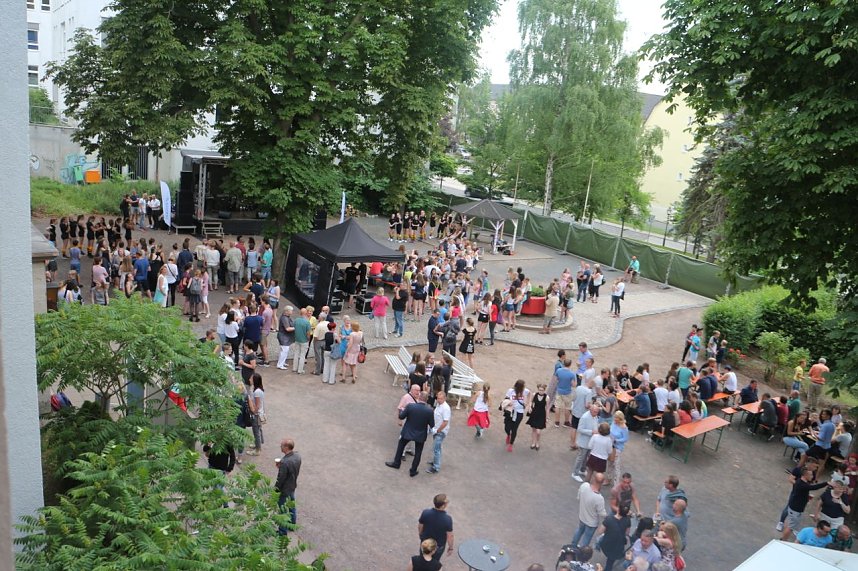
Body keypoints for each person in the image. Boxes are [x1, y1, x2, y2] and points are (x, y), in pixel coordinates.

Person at [385, 391, 435, 477]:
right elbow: (432, 425)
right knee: (418, 453)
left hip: (408, 431)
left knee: (401, 446)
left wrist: (401, 410)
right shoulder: (429, 411)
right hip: (420, 434)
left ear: (419, 397)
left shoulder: (411, 406)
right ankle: (413, 470)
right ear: (427, 400)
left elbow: (401, 416)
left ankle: (396, 463)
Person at [781, 466, 830, 540]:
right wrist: (827, 483)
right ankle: (783, 540)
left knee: (792, 525)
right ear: (805, 475)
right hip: (795, 509)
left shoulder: (801, 482)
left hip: (796, 508)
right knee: (790, 527)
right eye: (811, 475)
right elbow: (815, 487)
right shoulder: (803, 485)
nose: (812, 476)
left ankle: (784, 538)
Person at [572, 472, 607, 548]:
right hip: (591, 523)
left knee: (579, 531)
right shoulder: (599, 498)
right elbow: (602, 513)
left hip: (582, 516)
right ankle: (581, 553)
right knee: (586, 539)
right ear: (602, 482)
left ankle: (573, 546)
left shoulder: (584, 486)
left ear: (593, 479)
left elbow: (578, 497)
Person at [274, 438, 301, 535]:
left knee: (282, 511)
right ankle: (292, 524)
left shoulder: (285, 462)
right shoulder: (297, 456)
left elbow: (280, 478)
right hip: (292, 486)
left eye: (281, 445)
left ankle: (282, 531)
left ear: (286, 447)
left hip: (284, 489)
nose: (280, 447)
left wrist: (275, 489)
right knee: (291, 506)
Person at [418, 494, 454, 562]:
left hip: (425, 542)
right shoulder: (447, 519)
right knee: (434, 562)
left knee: (422, 559)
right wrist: (451, 547)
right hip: (438, 545)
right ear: (443, 505)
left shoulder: (425, 513)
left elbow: (420, 526)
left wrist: (421, 535)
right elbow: (450, 536)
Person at [597, 503, 631, 571]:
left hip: (607, 543)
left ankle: (597, 546)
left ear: (618, 510)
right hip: (618, 545)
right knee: (610, 561)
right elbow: (627, 533)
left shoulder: (609, 519)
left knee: (599, 539)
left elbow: (600, 531)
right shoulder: (628, 520)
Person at [572, 403, 600, 483]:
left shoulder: (594, 416)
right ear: (590, 410)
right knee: (580, 457)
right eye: (595, 412)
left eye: (597, 412)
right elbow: (580, 429)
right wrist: (592, 432)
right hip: (584, 442)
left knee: (586, 457)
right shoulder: (585, 417)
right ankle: (575, 473)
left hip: (590, 442)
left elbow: (595, 424)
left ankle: (582, 469)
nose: (596, 413)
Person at [502, 379, 531, 452]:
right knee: (507, 427)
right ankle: (508, 434)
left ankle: (511, 444)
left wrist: (528, 404)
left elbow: (529, 394)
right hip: (510, 411)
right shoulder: (510, 391)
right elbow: (506, 398)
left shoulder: (525, 391)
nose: (524, 388)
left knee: (514, 429)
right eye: (523, 387)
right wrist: (509, 402)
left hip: (519, 412)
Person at [427, 391, 452, 474]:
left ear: (444, 398)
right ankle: (435, 461)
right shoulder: (438, 404)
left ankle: (436, 467)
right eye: (438, 398)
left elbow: (445, 422)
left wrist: (438, 430)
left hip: (440, 431)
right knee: (437, 448)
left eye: (441, 399)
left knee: (436, 449)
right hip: (436, 429)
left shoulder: (446, 408)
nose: (438, 400)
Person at [527, 382, 549, 450]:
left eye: (542, 390)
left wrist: (547, 418)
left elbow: (547, 408)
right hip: (534, 413)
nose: (540, 391)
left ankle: (537, 442)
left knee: (538, 432)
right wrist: (530, 407)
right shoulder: (534, 394)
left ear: (544, 390)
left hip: (541, 415)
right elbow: (530, 401)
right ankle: (533, 442)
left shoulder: (547, 397)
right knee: (534, 430)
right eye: (539, 390)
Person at [292, 308, 311, 374]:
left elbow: (294, 328)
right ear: (306, 313)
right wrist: (308, 339)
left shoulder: (296, 320)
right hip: (304, 340)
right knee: (302, 355)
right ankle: (300, 370)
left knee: (296, 354)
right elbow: (308, 333)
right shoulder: (307, 322)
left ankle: (294, 368)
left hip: (297, 339)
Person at [276, 306, 296, 370]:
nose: (292, 312)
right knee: (284, 351)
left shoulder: (286, 317)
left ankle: (282, 362)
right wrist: (296, 328)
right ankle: (280, 364)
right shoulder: (284, 318)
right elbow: (287, 329)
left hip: (285, 337)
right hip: (283, 337)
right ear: (287, 311)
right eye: (291, 310)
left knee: (285, 351)